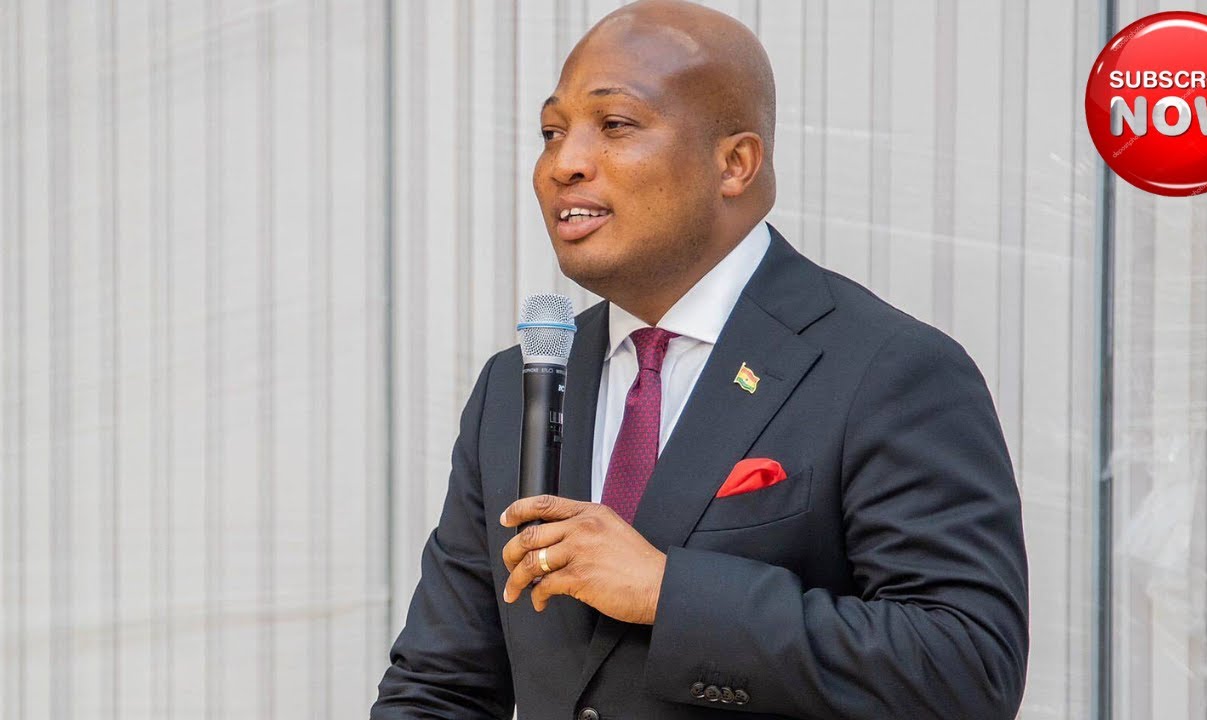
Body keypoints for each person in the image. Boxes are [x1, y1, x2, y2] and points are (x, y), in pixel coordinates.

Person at [371, 1, 1029, 718]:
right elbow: (442, 686)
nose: (564, 164)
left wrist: (667, 591)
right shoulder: (518, 384)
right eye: (551, 132)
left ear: (734, 164)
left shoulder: (887, 369)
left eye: (614, 125)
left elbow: (965, 667)